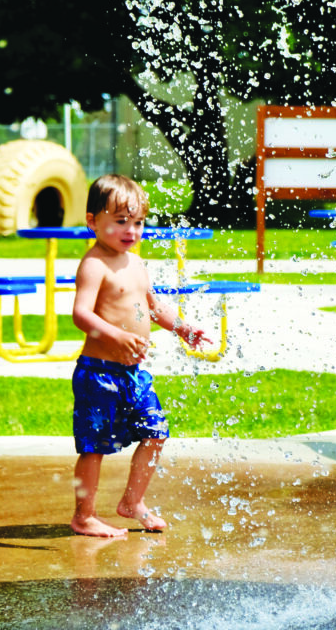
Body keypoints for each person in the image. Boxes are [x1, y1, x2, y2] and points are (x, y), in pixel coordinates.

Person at [70, 174, 211, 538]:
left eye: (138, 222)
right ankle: (84, 516)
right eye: (120, 222)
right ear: (92, 222)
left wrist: (182, 327)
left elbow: (152, 306)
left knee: (156, 432)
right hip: (99, 373)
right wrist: (116, 335)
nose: (131, 230)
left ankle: (133, 502)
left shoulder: (136, 263)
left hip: (134, 373)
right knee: (94, 447)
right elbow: (81, 314)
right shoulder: (94, 264)